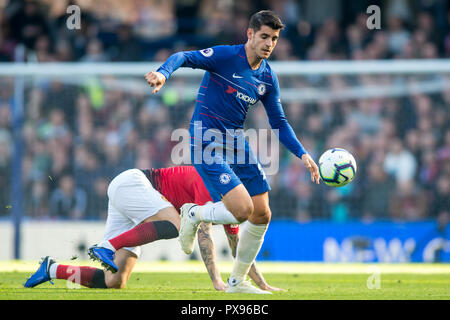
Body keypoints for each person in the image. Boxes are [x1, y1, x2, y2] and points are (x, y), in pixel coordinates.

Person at [145, 10, 320, 294]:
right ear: (250, 34)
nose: (269, 43)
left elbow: (279, 122)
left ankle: (237, 282)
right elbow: (184, 56)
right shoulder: (226, 56)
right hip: (206, 141)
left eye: (274, 39)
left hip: (236, 142)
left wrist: (303, 154)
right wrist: (163, 73)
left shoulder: (267, 77)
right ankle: (194, 214)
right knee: (242, 211)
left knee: (262, 214)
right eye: (264, 36)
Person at [24, 166, 281, 292]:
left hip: (135, 199)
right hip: (133, 184)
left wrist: (260, 282)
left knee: (116, 281)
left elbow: (240, 250)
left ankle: (51, 268)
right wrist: (216, 280)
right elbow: (203, 235)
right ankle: (107, 247)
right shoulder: (211, 183)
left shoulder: (231, 206)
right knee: (178, 225)